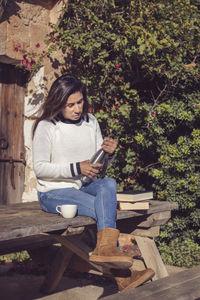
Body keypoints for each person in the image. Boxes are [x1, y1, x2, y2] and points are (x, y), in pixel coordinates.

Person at [32, 74, 154, 290]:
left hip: (85, 185)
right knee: (104, 210)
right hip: (53, 192)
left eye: (79, 102)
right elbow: (40, 168)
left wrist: (108, 154)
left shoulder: (91, 122)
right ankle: (123, 275)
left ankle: (107, 252)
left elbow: (99, 168)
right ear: (58, 103)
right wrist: (76, 167)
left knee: (108, 183)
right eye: (70, 105)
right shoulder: (47, 126)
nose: (77, 109)